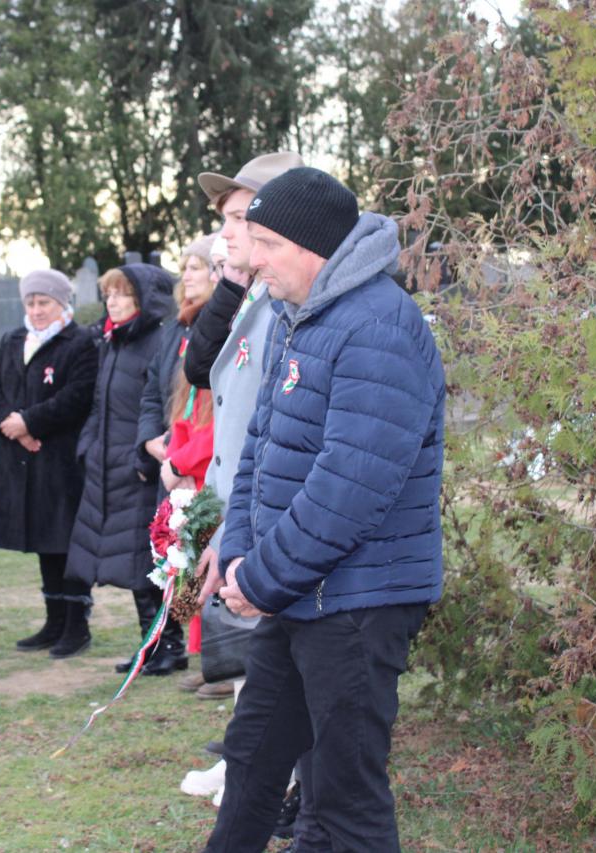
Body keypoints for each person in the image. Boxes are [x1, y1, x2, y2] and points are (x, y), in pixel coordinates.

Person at [202, 168, 445, 852]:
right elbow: (261, 448)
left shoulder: (379, 326)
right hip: (296, 590)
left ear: (313, 246)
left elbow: (349, 487)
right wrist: (241, 549)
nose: (252, 259)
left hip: (357, 602)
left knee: (342, 796)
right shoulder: (298, 315)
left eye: (266, 243)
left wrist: (260, 578)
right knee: (252, 757)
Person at [0, 269, 98, 657]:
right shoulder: (15, 340)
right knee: (44, 543)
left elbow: (77, 395)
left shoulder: (79, 342)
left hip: (61, 460)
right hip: (23, 459)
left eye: (44, 302)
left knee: (66, 543)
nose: (36, 310)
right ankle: (54, 620)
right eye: (30, 302)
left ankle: (77, 624)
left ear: (61, 303)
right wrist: (11, 425)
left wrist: (30, 422)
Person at [65, 263, 174, 664]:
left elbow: (162, 405)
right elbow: (100, 403)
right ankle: (153, 645)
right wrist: (88, 447)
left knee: (148, 560)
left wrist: (143, 457)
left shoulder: (159, 341)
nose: (111, 302)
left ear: (144, 299)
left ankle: (167, 645)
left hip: (140, 468)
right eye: (108, 294)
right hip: (107, 464)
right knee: (131, 563)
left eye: (121, 294)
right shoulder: (114, 342)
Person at [130, 234, 218, 676]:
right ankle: (199, 656)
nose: (187, 275)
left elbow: (213, 408)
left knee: (204, 558)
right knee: (181, 558)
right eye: (184, 268)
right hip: (172, 457)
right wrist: (152, 440)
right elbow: (153, 390)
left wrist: (182, 458)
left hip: (196, 461)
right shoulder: (176, 329)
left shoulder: (220, 327)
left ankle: (218, 659)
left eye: (196, 266)